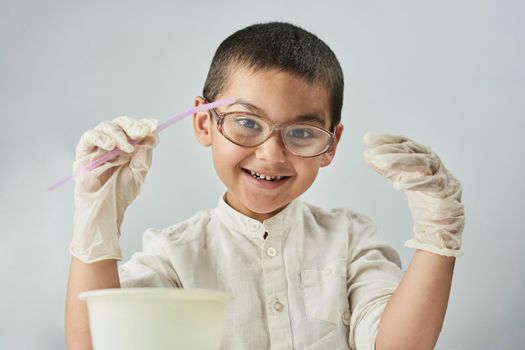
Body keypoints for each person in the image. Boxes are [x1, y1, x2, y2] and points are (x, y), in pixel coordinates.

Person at [65, 22, 464, 350]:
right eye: (247, 123)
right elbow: (96, 346)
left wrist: (437, 236)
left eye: (302, 132)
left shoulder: (351, 239)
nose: (271, 155)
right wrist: (97, 223)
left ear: (331, 145)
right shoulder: (174, 255)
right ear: (205, 124)